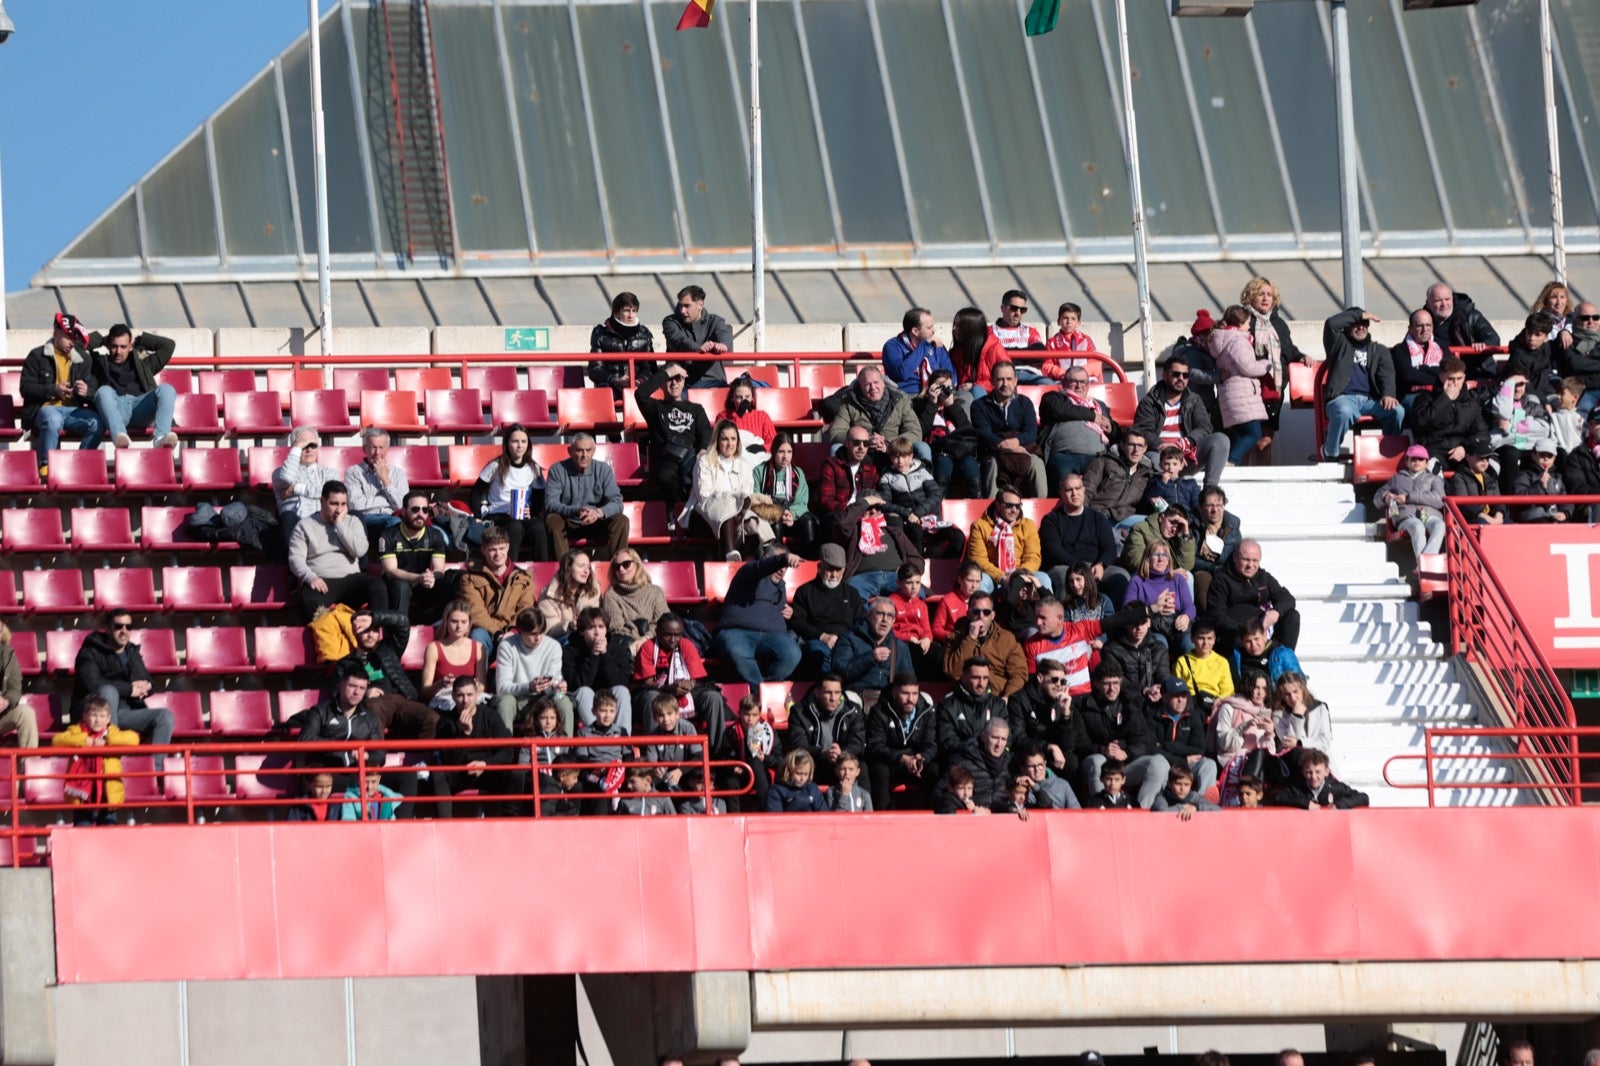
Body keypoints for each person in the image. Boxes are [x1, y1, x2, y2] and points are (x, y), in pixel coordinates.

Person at [72, 609, 176, 769]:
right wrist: (129, 689)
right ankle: (111, 761)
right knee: (109, 692)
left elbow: (148, 681)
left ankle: (156, 774)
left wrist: (146, 686)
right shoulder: (90, 651)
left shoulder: (131, 651)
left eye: (129, 626)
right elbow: (92, 684)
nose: (124, 631)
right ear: (108, 628)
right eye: (119, 626)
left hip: (123, 714)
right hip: (93, 713)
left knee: (165, 716)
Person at [287, 479, 386, 621]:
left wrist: (340, 524)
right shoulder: (305, 525)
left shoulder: (352, 522)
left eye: (343, 504)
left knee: (378, 587)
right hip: (322, 579)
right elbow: (295, 558)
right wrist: (310, 577)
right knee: (307, 602)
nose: (339, 509)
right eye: (334, 504)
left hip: (351, 578)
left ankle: (377, 634)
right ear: (322, 501)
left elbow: (359, 551)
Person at [19, 312, 106, 474]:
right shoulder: (37, 356)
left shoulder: (82, 359)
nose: (72, 342)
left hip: (72, 410)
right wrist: (54, 390)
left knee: (97, 423)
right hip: (44, 409)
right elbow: (25, 388)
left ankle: (80, 465)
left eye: (75, 338)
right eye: (69, 337)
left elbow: (93, 390)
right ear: (56, 333)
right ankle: (46, 466)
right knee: (53, 419)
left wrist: (86, 392)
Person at [1320, 305, 1406, 461]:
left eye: (1364, 324)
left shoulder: (1379, 350)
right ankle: (1330, 453)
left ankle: (1388, 456)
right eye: (1356, 323)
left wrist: (1388, 394)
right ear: (1347, 325)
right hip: (1342, 398)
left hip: (1370, 401)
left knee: (1397, 411)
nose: (1361, 327)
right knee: (1345, 412)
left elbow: (1387, 374)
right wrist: (1361, 314)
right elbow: (1331, 324)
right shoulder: (1338, 345)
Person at [1132, 351, 1229, 488]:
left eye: (1185, 375)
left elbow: (1205, 427)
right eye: (1176, 374)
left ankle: (1209, 493)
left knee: (1220, 440)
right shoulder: (1150, 401)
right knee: (1151, 458)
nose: (1181, 379)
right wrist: (1166, 449)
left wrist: (1184, 443)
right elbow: (1143, 431)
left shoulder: (1194, 400)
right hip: (1161, 457)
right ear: (1165, 375)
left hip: (1187, 458)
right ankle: (1168, 494)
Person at [1077, 661, 1168, 808]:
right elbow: (1079, 744)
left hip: (1124, 765)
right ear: (1097, 684)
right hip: (1097, 765)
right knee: (1097, 761)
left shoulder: (1130, 705)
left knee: (1159, 763)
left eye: (1115, 683)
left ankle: (1140, 814)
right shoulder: (1083, 705)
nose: (1112, 688)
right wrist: (1102, 749)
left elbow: (1145, 742)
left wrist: (1126, 752)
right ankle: (1103, 811)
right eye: (1107, 683)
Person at [633, 613, 728, 749]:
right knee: (651, 697)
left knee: (713, 697)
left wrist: (690, 684)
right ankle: (654, 751)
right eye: (667, 635)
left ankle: (718, 754)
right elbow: (647, 683)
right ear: (657, 632)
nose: (673, 639)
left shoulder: (686, 645)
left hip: (685, 692)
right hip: (660, 692)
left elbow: (696, 678)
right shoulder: (648, 647)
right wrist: (669, 688)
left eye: (677, 635)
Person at [633, 364, 712, 528]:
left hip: (690, 456)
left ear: (684, 382)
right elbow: (640, 394)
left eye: (678, 379)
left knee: (695, 473)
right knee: (665, 475)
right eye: (669, 380)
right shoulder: (655, 407)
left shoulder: (696, 409)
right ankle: (676, 512)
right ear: (662, 383)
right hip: (665, 458)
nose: (674, 383)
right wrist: (668, 372)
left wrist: (703, 450)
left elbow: (706, 432)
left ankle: (691, 515)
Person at [341, 609, 439, 742]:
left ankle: (420, 761)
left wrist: (375, 618)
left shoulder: (388, 648)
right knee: (372, 714)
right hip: (372, 703)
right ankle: (375, 759)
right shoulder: (346, 663)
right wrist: (364, 693)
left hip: (401, 699)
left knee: (432, 719)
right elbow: (338, 692)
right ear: (354, 631)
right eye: (365, 631)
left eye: (374, 630)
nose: (370, 635)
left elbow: (403, 623)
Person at [714, 544, 804, 687]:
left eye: (785, 566)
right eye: (779, 563)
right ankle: (759, 692)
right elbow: (759, 567)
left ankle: (766, 689)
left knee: (792, 653)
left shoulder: (781, 586)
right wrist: (783, 559)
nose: (782, 569)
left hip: (772, 636)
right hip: (737, 633)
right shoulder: (750, 573)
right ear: (766, 560)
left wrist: (791, 613)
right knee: (738, 651)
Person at [1240, 276, 1307, 450]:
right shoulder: (1244, 322)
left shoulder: (1279, 324)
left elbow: (1289, 350)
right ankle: (1247, 477)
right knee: (1249, 438)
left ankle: (1262, 476)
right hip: (1250, 387)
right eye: (1261, 294)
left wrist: (1302, 357)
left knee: (1266, 439)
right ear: (1251, 296)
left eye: (1269, 294)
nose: (1265, 298)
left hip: (1274, 389)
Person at [87, 323, 178, 450]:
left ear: (131, 346)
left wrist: (141, 340)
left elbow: (168, 346)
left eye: (123, 347)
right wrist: (102, 339)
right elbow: (78, 348)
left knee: (167, 389)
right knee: (103, 391)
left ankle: (160, 438)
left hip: (141, 408)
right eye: (114, 346)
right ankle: (120, 436)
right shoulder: (98, 364)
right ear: (108, 345)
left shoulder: (143, 365)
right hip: (116, 410)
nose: (118, 352)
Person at [53, 696, 139, 826]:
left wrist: (107, 742)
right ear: (85, 716)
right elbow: (57, 740)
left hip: (108, 795)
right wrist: (84, 741)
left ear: (108, 719)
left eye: (102, 716)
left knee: (108, 836)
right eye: (94, 715)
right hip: (82, 797)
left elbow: (134, 739)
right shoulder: (76, 731)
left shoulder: (113, 733)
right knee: (82, 834)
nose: (98, 720)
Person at [685, 419, 764, 561]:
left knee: (752, 523)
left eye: (733, 439)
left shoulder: (744, 466)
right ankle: (730, 554)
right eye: (725, 439)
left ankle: (748, 566)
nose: (729, 444)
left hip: (737, 518)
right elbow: (704, 495)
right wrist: (732, 499)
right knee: (727, 508)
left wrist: (737, 504)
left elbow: (747, 494)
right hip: (703, 517)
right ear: (717, 440)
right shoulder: (704, 461)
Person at [434, 676, 517, 811]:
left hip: (488, 771)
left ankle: (511, 820)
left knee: (516, 774)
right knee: (438, 775)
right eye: (460, 695)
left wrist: (486, 765)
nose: (465, 700)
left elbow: (507, 752)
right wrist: (464, 735)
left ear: (477, 695)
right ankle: (445, 826)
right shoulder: (445, 722)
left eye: (470, 695)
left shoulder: (491, 716)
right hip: (461, 773)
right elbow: (449, 761)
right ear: (453, 696)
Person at [472, 423, 551, 562]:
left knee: (538, 527)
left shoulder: (533, 468)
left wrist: (531, 512)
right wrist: (478, 515)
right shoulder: (496, 465)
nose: (519, 445)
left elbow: (539, 497)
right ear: (507, 443)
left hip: (522, 514)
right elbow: (476, 492)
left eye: (523, 441)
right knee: (514, 527)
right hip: (498, 513)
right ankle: (508, 569)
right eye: (515, 441)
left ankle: (543, 569)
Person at [1205, 538, 1300, 653]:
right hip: (1238, 633)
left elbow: (1287, 599)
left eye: (1255, 561)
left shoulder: (1264, 577)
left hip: (1264, 628)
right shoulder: (1222, 580)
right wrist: (1245, 630)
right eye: (1246, 559)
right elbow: (1216, 615)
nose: (1250, 565)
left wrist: (1276, 612)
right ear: (1235, 558)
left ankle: (1284, 660)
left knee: (1292, 616)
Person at [544, 434, 629, 559]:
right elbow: (550, 503)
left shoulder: (604, 470)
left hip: (597, 522)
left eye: (588, 450)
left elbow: (617, 501)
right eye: (579, 450)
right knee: (552, 519)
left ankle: (619, 567)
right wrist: (574, 510)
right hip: (569, 522)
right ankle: (564, 570)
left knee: (621, 520)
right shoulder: (557, 470)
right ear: (570, 451)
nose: (585, 455)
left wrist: (599, 513)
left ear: (594, 451)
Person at [1040, 473, 1121, 602]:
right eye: (1069, 490)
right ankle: (1064, 620)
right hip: (1065, 566)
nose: (1074, 493)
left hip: (1094, 567)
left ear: (1084, 490)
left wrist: (1101, 564)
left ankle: (1115, 620)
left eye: (1077, 488)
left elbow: (1109, 548)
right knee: (1064, 579)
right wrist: (1080, 568)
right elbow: (1053, 550)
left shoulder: (1097, 518)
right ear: (1061, 493)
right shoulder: (1051, 520)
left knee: (1120, 576)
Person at [971, 362, 1047, 497]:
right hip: (994, 451)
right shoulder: (979, 405)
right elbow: (983, 433)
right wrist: (1005, 445)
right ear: (992, 381)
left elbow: (1031, 433)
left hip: (1023, 450)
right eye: (1000, 379)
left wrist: (1016, 442)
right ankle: (991, 510)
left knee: (1037, 463)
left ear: (1016, 381)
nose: (1005, 384)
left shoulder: (1025, 403)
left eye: (1009, 379)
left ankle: (1041, 510)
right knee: (992, 464)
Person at [459, 525, 538, 654]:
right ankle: (479, 675)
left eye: (502, 548)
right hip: (486, 632)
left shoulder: (524, 577)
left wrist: (513, 631)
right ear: (483, 550)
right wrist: (498, 634)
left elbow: (526, 608)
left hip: (515, 630)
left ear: (508, 547)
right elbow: (476, 613)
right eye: (492, 550)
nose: (498, 554)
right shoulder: (469, 577)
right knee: (477, 637)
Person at [1211, 305, 1273, 465]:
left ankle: (1233, 466)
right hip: (1242, 397)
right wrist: (1267, 365)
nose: (1249, 327)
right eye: (1247, 323)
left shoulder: (1222, 341)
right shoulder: (1238, 341)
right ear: (1239, 324)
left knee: (1239, 434)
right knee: (1254, 433)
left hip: (1230, 397)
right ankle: (1230, 461)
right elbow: (1249, 367)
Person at [865, 673, 936, 810]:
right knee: (879, 768)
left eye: (915, 694)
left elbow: (931, 744)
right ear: (894, 692)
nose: (911, 699)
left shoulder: (927, 712)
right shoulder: (879, 711)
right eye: (905, 693)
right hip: (891, 762)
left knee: (935, 770)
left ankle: (932, 817)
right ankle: (883, 816)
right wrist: (901, 758)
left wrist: (922, 758)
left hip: (916, 762)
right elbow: (875, 745)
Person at [297, 666, 385, 775]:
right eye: (352, 686)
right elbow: (305, 739)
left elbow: (380, 755)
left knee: (407, 775)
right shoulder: (320, 711)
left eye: (362, 688)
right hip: (327, 775)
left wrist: (367, 756)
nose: (357, 692)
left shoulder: (369, 717)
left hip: (358, 774)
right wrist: (342, 746)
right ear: (341, 684)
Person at [829, 365, 925, 465]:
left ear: (883, 383)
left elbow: (915, 432)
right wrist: (865, 440)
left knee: (922, 448)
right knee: (835, 449)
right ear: (860, 386)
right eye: (867, 384)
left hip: (895, 452)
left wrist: (889, 443)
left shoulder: (901, 400)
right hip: (861, 452)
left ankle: (926, 479)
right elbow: (836, 433)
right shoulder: (848, 402)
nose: (873, 388)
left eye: (876, 383)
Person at [790, 543, 865, 672]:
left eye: (838, 570)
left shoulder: (852, 593)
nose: (834, 575)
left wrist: (846, 640)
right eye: (830, 569)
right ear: (820, 566)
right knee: (818, 655)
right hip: (817, 640)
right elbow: (797, 621)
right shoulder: (805, 591)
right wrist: (822, 636)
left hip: (847, 641)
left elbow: (861, 621)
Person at [493, 607, 569, 732]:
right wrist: (529, 687)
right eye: (533, 634)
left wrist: (559, 688)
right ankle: (505, 749)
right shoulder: (507, 647)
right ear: (520, 632)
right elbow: (502, 688)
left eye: (541, 632)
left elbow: (555, 683)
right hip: (516, 700)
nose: (538, 638)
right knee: (505, 702)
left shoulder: (554, 646)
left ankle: (566, 748)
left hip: (544, 698)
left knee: (563, 700)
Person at [1040, 367, 1114, 490]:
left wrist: (1112, 429)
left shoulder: (1099, 405)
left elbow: (1113, 428)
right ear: (1064, 383)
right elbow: (1061, 410)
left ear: (1088, 385)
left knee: (1110, 476)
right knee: (1064, 480)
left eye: (1083, 382)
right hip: (1064, 455)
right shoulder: (1054, 398)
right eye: (1074, 381)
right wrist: (1092, 416)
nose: (1079, 386)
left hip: (1098, 457)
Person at [563, 608, 636, 734]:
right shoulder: (570, 650)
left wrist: (605, 654)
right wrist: (593, 655)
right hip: (582, 698)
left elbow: (620, 681)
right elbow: (577, 684)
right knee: (584, 692)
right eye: (591, 628)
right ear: (582, 631)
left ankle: (623, 742)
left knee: (622, 691)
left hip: (608, 695)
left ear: (606, 629)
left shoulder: (617, 648)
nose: (597, 632)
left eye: (601, 627)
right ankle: (596, 740)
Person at [378, 490, 448, 619]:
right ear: (404, 511)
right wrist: (418, 578)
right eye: (415, 509)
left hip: (422, 584)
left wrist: (431, 577)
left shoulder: (435, 535)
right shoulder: (389, 535)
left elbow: (439, 569)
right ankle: (399, 630)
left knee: (447, 586)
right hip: (395, 586)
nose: (420, 514)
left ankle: (441, 628)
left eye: (425, 510)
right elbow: (391, 571)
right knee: (401, 586)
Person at [839, 496, 924, 602]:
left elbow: (917, 559)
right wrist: (865, 502)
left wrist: (906, 571)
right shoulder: (854, 531)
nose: (873, 511)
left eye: (878, 508)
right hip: (864, 578)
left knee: (919, 593)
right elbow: (843, 523)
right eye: (869, 508)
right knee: (852, 593)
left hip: (894, 577)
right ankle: (864, 619)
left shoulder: (894, 532)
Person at [787, 674, 867, 787]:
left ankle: (865, 803)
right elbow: (798, 745)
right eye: (828, 693)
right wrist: (823, 753)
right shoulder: (799, 712)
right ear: (817, 693)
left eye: (837, 692)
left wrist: (842, 753)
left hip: (842, 762)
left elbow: (858, 743)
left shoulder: (853, 711)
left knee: (861, 766)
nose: (833, 698)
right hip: (813, 763)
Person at [942, 593, 1027, 698]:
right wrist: (970, 639)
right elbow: (953, 672)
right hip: (965, 698)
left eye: (986, 612)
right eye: (976, 612)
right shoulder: (954, 638)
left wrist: (1007, 697)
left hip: (997, 698)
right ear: (968, 614)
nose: (981, 616)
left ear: (993, 615)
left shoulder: (1007, 639)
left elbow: (1019, 674)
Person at [934, 657, 1009, 775]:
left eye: (985, 678)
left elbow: (1007, 738)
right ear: (964, 677)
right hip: (961, 763)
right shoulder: (948, 706)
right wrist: (975, 753)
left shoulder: (998, 705)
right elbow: (948, 742)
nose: (981, 683)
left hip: (993, 763)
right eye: (976, 678)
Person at [912, 370, 980, 499]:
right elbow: (921, 431)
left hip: (958, 449)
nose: (944, 391)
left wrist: (950, 405)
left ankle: (976, 503)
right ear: (931, 387)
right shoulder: (920, 405)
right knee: (944, 463)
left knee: (970, 464)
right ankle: (939, 503)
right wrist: (932, 403)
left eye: (948, 387)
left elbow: (966, 429)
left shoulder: (957, 404)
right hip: (938, 449)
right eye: (940, 386)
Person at [1410, 356, 1490, 466]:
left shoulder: (1471, 403)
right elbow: (1420, 424)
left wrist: (1464, 447)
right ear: (1441, 377)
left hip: (1463, 450)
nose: (1455, 383)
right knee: (1431, 467)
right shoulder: (1424, 399)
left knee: (1491, 464)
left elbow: (1482, 433)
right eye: (1451, 379)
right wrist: (1445, 399)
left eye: (1459, 378)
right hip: (1435, 450)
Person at [833, 598, 914, 705]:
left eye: (890, 616)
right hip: (856, 696)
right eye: (880, 614)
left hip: (888, 701)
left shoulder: (900, 646)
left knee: (925, 699)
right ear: (869, 615)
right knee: (850, 698)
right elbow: (840, 670)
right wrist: (871, 658)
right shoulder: (849, 638)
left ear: (894, 621)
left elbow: (908, 681)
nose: (885, 619)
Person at [752, 433, 820, 559]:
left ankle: (810, 562)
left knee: (808, 522)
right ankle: (774, 563)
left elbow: (802, 503)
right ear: (773, 451)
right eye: (781, 452)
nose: (785, 457)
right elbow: (755, 500)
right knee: (776, 526)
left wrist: (792, 514)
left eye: (789, 452)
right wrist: (777, 513)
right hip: (771, 517)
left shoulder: (798, 473)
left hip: (792, 518)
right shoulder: (760, 471)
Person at [966, 490, 1043, 596]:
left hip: (1021, 573)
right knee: (981, 582)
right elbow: (978, 559)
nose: (1014, 510)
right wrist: (1001, 576)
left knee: (1044, 579)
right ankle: (982, 612)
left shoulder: (1028, 525)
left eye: (1018, 506)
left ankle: (1045, 612)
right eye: (1009, 505)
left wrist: (1019, 576)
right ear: (997, 505)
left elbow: (1033, 557)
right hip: (992, 576)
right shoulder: (980, 526)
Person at [1378, 444, 1447, 561]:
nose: (1417, 461)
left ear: (1426, 463)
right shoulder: (1396, 478)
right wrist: (1386, 496)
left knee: (1440, 525)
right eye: (1413, 459)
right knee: (1417, 526)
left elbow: (1440, 499)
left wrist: (1409, 497)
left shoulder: (1434, 479)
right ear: (1406, 461)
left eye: (1421, 459)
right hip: (1406, 517)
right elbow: (1378, 496)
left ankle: (1424, 564)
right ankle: (1426, 566)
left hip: (1430, 515)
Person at [272, 426, 340, 543]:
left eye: (312, 445)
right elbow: (287, 478)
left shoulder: (329, 472)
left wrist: (297, 489)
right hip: (294, 524)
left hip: (323, 522)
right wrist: (297, 447)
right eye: (304, 446)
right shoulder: (280, 473)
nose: (309, 450)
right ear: (295, 449)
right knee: (288, 517)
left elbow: (332, 494)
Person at [1124, 540, 1194, 652]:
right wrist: (1154, 608)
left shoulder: (1178, 579)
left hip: (1177, 626)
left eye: (1164, 555)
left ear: (1168, 560)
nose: (1161, 559)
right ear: (1148, 558)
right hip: (1152, 629)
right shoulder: (1137, 581)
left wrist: (1185, 617)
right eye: (1156, 555)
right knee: (1160, 645)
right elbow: (1127, 610)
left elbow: (1189, 606)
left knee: (1190, 645)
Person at [716, 694, 782, 813]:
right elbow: (722, 758)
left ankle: (767, 810)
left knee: (756, 763)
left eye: (754, 715)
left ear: (759, 715)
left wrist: (765, 758)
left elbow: (780, 759)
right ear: (739, 713)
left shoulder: (769, 733)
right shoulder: (731, 732)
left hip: (762, 773)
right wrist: (733, 768)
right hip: (740, 774)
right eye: (746, 714)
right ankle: (734, 819)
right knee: (731, 782)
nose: (750, 719)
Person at [601, 548, 668, 655]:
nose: (621, 570)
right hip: (628, 647)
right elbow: (616, 629)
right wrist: (638, 642)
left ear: (637, 564)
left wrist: (646, 639)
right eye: (617, 567)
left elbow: (663, 622)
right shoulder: (611, 594)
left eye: (626, 564)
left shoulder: (655, 592)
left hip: (654, 641)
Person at [661, 284, 731, 387]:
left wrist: (722, 345)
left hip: (714, 382)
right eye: (680, 306)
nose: (682, 311)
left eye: (687, 306)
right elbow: (677, 339)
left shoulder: (716, 321)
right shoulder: (670, 322)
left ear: (700, 305)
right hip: (682, 383)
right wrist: (697, 349)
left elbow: (723, 334)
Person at [344, 427, 409, 537]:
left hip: (391, 516)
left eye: (381, 447)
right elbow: (355, 505)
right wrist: (386, 501)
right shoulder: (353, 472)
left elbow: (403, 506)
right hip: (366, 518)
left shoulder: (398, 473)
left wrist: (386, 480)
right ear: (365, 449)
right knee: (396, 524)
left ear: (387, 449)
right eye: (373, 448)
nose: (377, 452)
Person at [817, 427, 881, 538]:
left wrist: (872, 511)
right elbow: (826, 501)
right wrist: (853, 510)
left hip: (864, 514)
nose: (861, 447)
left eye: (865, 443)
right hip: (841, 514)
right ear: (847, 443)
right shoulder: (831, 465)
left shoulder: (871, 468)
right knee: (845, 522)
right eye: (856, 442)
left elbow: (877, 497)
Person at [587, 291, 657, 391]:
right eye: (627, 311)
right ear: (616, 312)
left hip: (637, 388)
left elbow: (650, 368)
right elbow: (595, 370)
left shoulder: (644, 335)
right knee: (604, 392)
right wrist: (614, 380)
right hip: (610, 387)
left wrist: (639, 381)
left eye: (634, 311)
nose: (631, 315)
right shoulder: (601, 334)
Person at [419, 600, 486, 703]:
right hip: (443, 700)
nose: (459, 626)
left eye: (464, 622)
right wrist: (441, 684)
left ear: (469, 624)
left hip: (469, 701)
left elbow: (482, 685)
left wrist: (471, 686)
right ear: (446, 621)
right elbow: (425, 691)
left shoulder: (478, 648)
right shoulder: (434, 648)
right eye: (454, 621)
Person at [1084, 429, 1153, 527]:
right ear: (1122, 445)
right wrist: (1084, 516)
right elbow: (1086, 490)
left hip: (1127, 518)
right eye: (1131, 445)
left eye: (1140, 446)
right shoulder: (1103, 461)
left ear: (1145, 448)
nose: (1136, 450)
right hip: (1099, 514)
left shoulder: (1147, 474)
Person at [1425, 282, 1500, 372]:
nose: (1444, 304)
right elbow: (1409, 346)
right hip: (1438, 376)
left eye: (1447, 299)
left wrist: (1483, 345)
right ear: (1428, 303)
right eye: (1438, 300)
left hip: (1475, 373)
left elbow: (1493, 338)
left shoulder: (1470, 316)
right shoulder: (1421, 320)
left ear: (1452, 299)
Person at [882, 307, 955, 395]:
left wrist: (943, 389)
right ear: (915, 331)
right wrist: (924, 345)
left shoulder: (937, 345)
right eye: (929, 328)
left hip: (938, 392)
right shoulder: (893, 346)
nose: (934, 330)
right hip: (909, 395)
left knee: (965, 397)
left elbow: (950, 373)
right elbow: (903, 373)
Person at [537, 548, 602, 642]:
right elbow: (548, 631)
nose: (586, 571)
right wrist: (569, 626)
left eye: (588, 567)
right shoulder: (549, 594)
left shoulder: (594, 590)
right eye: (581, 566)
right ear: (568, 567)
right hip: (562, 641)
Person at [1270, 747, 1369, 809]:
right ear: (1303, 772)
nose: (1313, 777)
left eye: (1318, 772)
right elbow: (1278, 798)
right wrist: (1305, 803)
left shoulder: (1336, 787)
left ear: (1327, 772)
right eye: (1309, 772)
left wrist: (1339, 805)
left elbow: (1363, 797)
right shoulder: (1297, 788)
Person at [1391, 308, 1448, 411]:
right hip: (1410, 396)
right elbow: (1409, 375)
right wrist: (1439, 380)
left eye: (1428, 325)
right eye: (1419, 325)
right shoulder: (1400, 350)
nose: (1424, 329)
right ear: (1410, 328)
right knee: (1428, 406)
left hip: (1438, 393)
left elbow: (1449, 372)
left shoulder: (1442, 348)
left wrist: (1422, 369)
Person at [1272, 672, 1333, 764]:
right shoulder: (1279, 715)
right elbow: (1288, 744)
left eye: (1295, 691)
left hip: (1321, 762)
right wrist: (1297, 716)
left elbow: (1325, 741)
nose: (1293, 698)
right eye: (1287, 694)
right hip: (1295, 762)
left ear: (1302, 689)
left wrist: (1300, 743)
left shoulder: (1320, 708)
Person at [1504, 312, 1560, 406]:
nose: (1531, 338)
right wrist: (1544, 402)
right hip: (1525, 396)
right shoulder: (1517, 353)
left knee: (1561, 403)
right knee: (1534, 403)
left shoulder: (1547, 348)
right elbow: (1524, 385)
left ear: (1546, 338)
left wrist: (1564, 333)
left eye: (1537, 335)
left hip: (1545, 391)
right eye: (1529, 333)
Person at [949, 306, 1006, 397]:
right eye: (955, 325)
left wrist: (975, 385)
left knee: (977, 391)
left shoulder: (994, 349)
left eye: (959, 326)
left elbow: (1005, 380)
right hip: (964, 397)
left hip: (991, 397)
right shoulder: (956, 352)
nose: (955, 329)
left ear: (971, 328)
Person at [1514, 439, 1575, 523]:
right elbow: (1518, 498)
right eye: (1542, 455)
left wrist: (1565, 512)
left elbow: (1565, 499)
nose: (1546, 459)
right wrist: (1539, 486)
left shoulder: (1557, 478)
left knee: (1569, 529)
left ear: (1554, 459)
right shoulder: (1525, 476)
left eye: (1550, 456)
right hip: (1532, 518)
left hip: (1553, 517)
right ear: (1533, 456)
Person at [1173, 621, 1232, 707]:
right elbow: (1177, 688)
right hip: (1191, 703)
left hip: (1215, 703)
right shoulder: (1183, 661)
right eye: (1201, 638)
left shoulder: (1222, 662)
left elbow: (1228, 690)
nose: (1205, 643)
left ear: (1215, 639)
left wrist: (1219, 701)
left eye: (1209, 638)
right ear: (1192, 639)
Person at [1447, 439, 1506, 525]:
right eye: (1481, 457)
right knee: (1482, 524)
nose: (1485, 461)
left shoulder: (1491, 478)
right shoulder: (1459, 478)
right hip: (1471, 520)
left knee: (1509, 524)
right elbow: (1464, 505)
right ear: (1468, 457)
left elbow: (1498, 502)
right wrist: (1488, 518)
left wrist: (1498, 517)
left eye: (1487, 458)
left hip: (1490, 518)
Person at [1232, 615, 1302, 686]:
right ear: (1242, 642)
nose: (1253, 645)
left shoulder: (1283, 654)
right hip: (1245, 695)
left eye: (1256, 639)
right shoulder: (1236, 657)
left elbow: (1299, 682)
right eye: (1248, 641)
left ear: (1264, 636)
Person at [722, 376, 775, 462]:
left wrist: (761, 447)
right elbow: (721, 441)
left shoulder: (762, 416)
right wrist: (738, 415)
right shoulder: (723, 416)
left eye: (747, 397)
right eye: (739, 397)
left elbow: (774, 442)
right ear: (732, 398)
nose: (743, 401)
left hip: (758, 457)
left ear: (752, 398)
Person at [1560, 302, 1600, 412]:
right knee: (1583, 413)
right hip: (1582, 392)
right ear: (1575, 320)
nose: (1591, 321)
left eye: (1595, 317)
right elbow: (1575, 364)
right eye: (1585, 318)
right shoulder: (1567, 340)